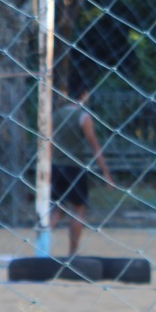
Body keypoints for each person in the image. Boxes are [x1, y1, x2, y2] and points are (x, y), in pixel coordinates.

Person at [51, 79, 112, 256]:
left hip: (56, 167)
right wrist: (106, 173)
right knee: (78, 210)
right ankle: (72, 252)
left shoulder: (56, 115)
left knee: (56, 209)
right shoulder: (83, 117)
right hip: (74, 168)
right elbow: (94, 146)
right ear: (84, 95)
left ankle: (42, 246)